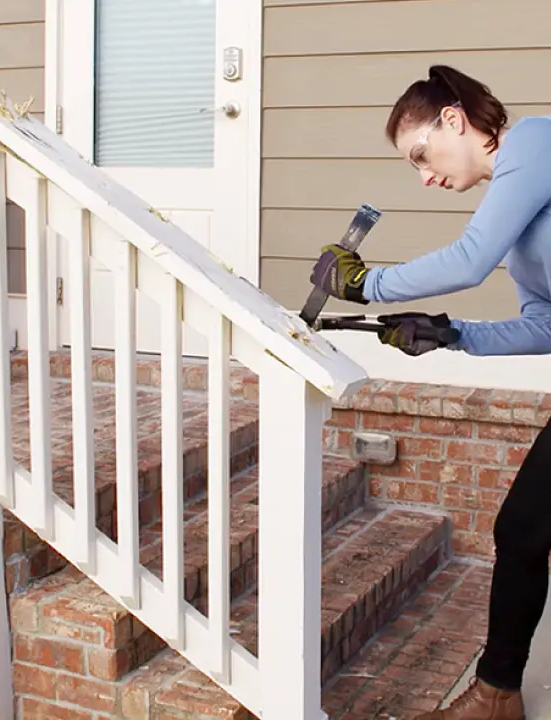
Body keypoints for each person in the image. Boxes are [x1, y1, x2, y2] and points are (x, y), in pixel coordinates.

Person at [310, 65, 551, 720]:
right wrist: (451, 334)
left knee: (526, 527)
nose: (424, 175)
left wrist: (367, 285)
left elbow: (468, 260)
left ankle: (495, 697)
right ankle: (497, 697)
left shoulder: (534, 141)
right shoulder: (521, 219)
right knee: (526, 528)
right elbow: (544, 325)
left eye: (421, 155)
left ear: (454, 119)